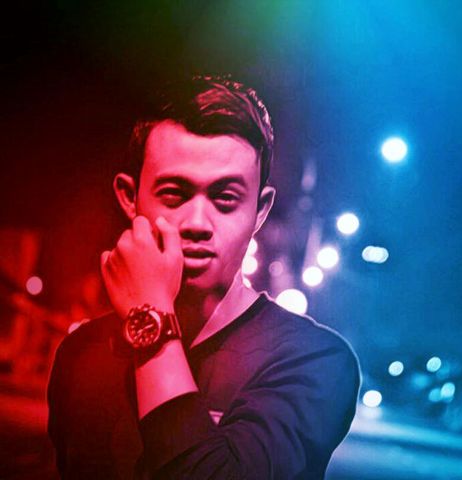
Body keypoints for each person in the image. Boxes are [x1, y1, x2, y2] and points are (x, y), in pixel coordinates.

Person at [47, 75, 361, 479]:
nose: (197, 223)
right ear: (129, 197)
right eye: (173, 194)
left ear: (260, 211)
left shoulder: (314, 360)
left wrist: (152, 319)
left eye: (225, 198)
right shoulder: (80, 354)